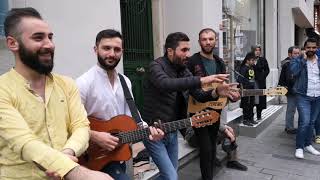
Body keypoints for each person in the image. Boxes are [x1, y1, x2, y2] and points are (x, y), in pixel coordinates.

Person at [0, 7, 113, 180]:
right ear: (12, 43)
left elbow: (81, 126)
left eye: (50, 37)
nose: (49, 45)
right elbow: (24, 142)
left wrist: (66, 154)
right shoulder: (3, 89)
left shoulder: (66, 84)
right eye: (38, 38)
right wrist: (76, 172)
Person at [142, 31, 239, 180]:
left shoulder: (182, 69)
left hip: (172, 130)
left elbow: (199, 95)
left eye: (188, 49)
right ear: (170, 51)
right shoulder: (156, 66)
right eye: (184, 50)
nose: (187, 54)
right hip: (153, 131)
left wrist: (216, 91)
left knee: (170, 174)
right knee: (171, 176)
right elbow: (165, 84)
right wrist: (201, 80)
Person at [76, 29, 164, 180]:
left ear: (122, 51)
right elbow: (71, 124)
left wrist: (148, 131)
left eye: (117, 49)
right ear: (95, 49)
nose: (112, 54)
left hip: (116, 154)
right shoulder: (83, 83)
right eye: (106, 48)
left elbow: (132, 116)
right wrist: (95, 136)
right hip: (90, 158)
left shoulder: (125, 81)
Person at [187, 28, 246, 180]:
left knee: (212, 146)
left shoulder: (220, 62)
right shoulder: (192, 62)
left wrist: (233, 96)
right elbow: (193, 90)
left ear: (216, 41)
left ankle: (209, 174)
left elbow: (223, 90)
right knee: (206, 149)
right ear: (199, 41)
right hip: (198, 111)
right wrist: (214, 93)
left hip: (216, 111)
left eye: (210, 39)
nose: (207, 42)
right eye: (204, 39)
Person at [290, 38, 320, 159]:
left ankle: (308, 144)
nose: (311, 50)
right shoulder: (297, 60)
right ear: (304, 48)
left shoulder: (319, 61)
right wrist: (302, 59)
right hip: (303, 96)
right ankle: (299, 147)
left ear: (317, 48)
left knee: (312, 122)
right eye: (308, 48)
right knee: (305, 122)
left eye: (314, 48)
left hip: (317, 96)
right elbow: (294, 72)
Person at [278, 46, 300, 134]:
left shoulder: (297, 62)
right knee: (291, 109)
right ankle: (289, 127)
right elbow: (288, 78)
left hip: (297, 90)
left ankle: (290, 126)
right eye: (295, 53)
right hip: (292, 90)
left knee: (294, 109)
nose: (297, 55)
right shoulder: (288, 64)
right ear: (290, 54)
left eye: (298, 53)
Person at [238, 52, 258, 126]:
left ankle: (251, 118)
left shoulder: (251, 67)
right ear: (247, 60)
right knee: (246, 104)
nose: (253, 62)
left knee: (252, 104)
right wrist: (242, 89)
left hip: (252, 89)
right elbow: (240, 79)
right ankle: (245, 119)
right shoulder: (243, 68)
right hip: (246, 89)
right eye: (252, 60)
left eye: (254, 60)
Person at [252, 45, 270, 120]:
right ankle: (250, 116)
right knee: (252, 99)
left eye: (259, 50)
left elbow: (267, 70)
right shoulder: (250, 59)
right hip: (251, 82)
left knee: (260, 99)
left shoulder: (263, 60)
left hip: (260, 82)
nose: (258, 52)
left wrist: (262, 76)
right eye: (256, 50)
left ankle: (259, 115)